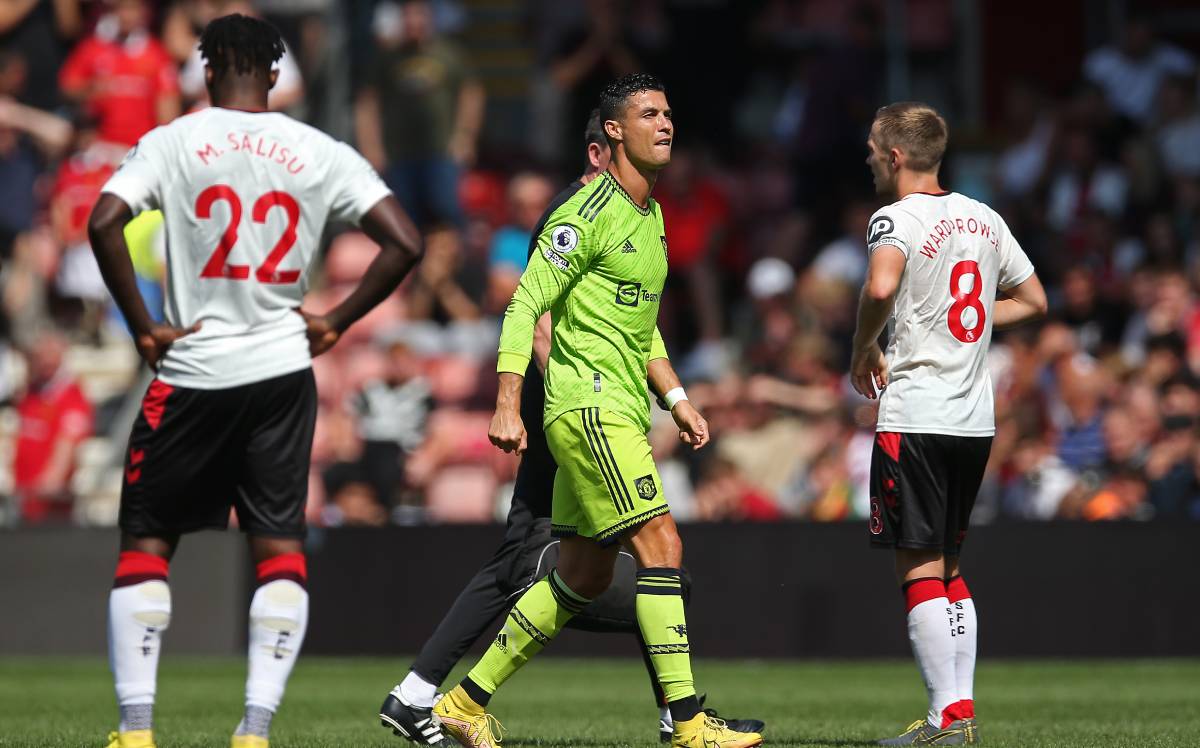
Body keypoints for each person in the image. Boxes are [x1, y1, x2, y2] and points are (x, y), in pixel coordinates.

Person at [87, 14, 422, 748]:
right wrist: (336, 318)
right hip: (280, 370)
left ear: (205, 71)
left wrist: (144, 326)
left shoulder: (173, 140)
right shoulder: (321, 151)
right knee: (279, 549)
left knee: (148, 542)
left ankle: (137, 731)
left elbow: (105, 219)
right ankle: (256, 728)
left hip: (193, 371)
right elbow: (405, 242)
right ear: (276, 73)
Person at [377, 110, 763, 746]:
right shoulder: (581, 211)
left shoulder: (650, 218)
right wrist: (514, 400)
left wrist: (677, 399)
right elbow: (528, 305)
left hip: (606, 404)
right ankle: (686, 722)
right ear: (605, 143)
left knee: (580, 572)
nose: (666, 124)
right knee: (660, 549)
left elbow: (638, 328)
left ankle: (459, 700)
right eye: (650, 115)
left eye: (669, 114)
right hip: (585, 406)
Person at [850, 102, 1047, 746]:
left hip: (917, 412)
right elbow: (1034, 299)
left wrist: (862, 350)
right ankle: (957, 717)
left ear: (897, 157)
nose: (870, 157)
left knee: (917, 567)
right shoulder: (985, 217)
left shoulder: (894, 217)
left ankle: (942, 722)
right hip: (974, 418)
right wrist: (966, 323)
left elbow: (881, 289)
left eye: (875, 148)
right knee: (948, 564)